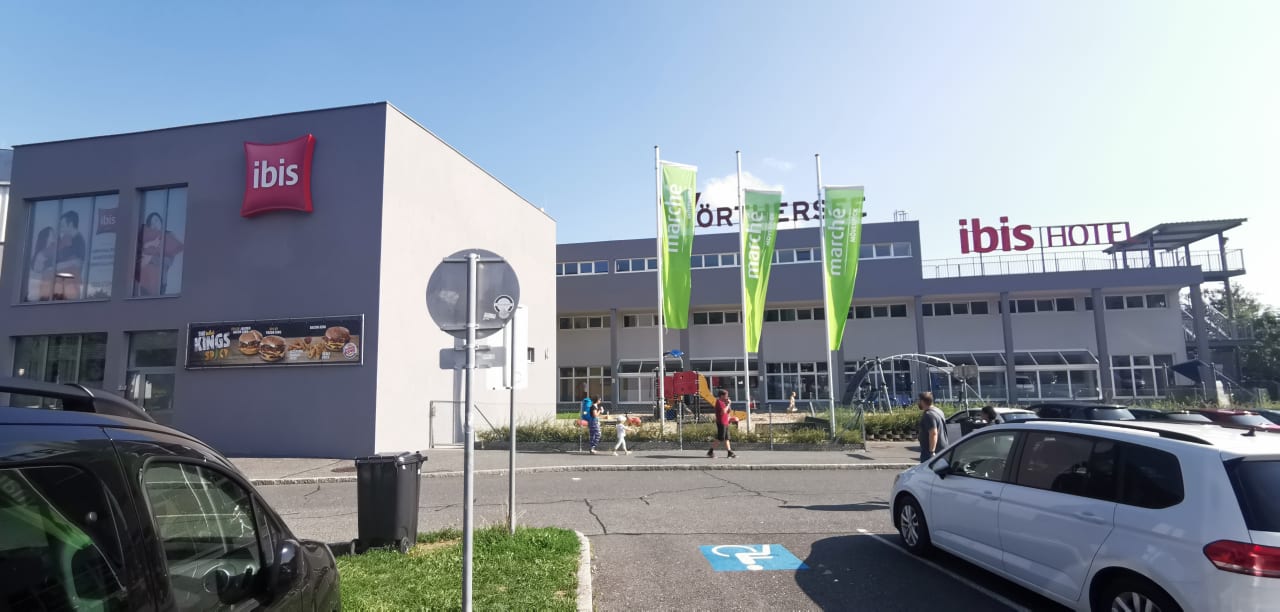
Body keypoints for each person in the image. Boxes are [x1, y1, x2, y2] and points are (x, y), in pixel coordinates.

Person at [136, 212, 185, 296]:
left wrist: (150, 257)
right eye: (151, 224)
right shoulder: (146, 240)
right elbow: (142, 264)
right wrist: (150, 245)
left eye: (156, 220)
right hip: (146, 282)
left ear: (161, 221)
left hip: (160, 282)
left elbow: (167, 262)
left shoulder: (169, 236)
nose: (154, 224)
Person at [53, 211, 86, 300]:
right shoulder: (69, 241)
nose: (61, 229)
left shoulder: (79, 242)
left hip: (71, 287)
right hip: (64, 287)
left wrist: (56, 266)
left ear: (70, 224)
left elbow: (77, 263)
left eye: (62, 226)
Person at [916, 392, 948, 462]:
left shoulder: (929, 415)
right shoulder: (938, 411)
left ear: (922, 401)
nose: (918, 402)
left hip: (931, 452)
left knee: (926, 469)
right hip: (942, 449)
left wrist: (931, 452)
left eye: (918, 400)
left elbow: (933, 433)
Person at [27, 227, 55, 301]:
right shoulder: (42, 253)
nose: (54, 238)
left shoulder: (44, 252)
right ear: (46, 238)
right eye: (52, 235)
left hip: (41, 287)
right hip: (36, 288)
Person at [708, 389, 737, 459]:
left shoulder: (723, 402)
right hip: (721, 422)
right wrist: (728, 404)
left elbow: (728, 411)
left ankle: (729, 452)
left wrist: (728, 405)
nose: (727, 397)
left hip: (725, 422)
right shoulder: (719, 402)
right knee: (720, 438)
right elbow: (723, 412)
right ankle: (710, 452)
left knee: (727, 438)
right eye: (726, 396)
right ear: (721, 396)